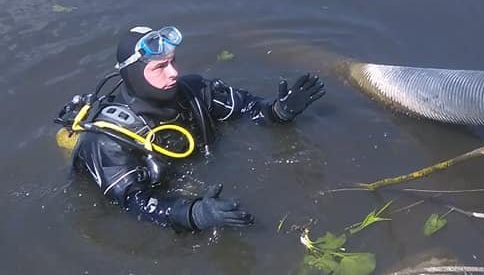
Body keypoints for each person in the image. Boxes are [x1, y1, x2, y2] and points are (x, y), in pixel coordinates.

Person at [59, 25, 326, 232]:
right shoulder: (106, 140)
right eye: (160, 67)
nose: (174, 72)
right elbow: (132, 202)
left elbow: (247, 108)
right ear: (133, 75)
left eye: (173, 62)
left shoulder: (195, 92)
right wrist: (192, 215)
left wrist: (278, 111)